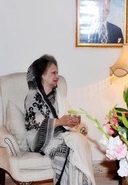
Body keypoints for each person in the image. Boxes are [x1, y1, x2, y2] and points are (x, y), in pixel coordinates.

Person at [24, 55, 96, 184]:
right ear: (42, 75)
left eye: (57, 73)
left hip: (62, 134)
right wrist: (60, 122)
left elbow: (67, 115)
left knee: (78, 142)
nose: (57, 76)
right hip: (43, 140)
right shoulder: (32, 97)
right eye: (53, 73)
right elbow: (35, 126)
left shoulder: (59, 96)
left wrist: (73, 121)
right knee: (73, 145)